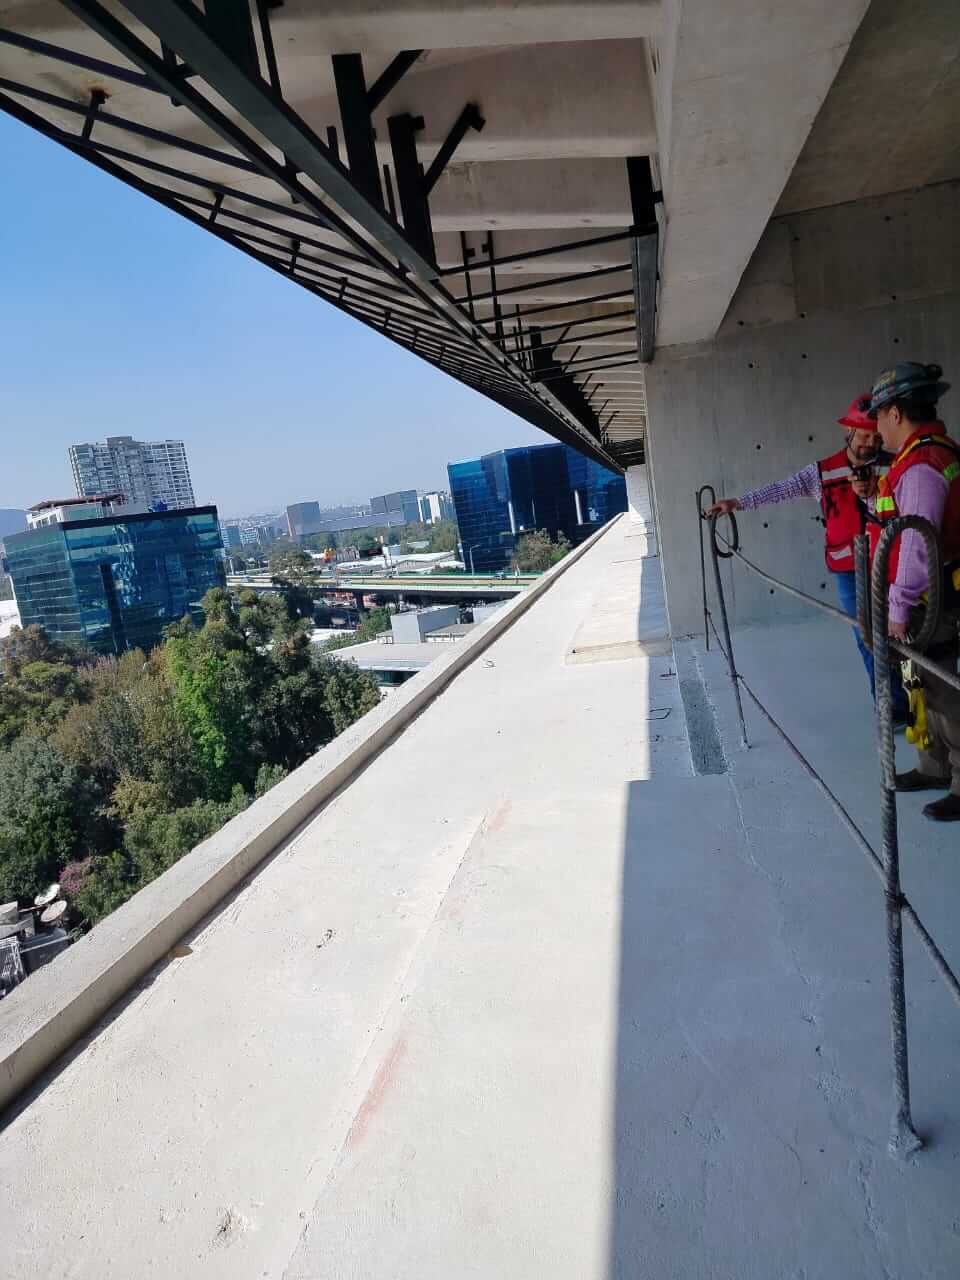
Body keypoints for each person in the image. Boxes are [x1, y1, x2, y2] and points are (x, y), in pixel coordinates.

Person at [705, 396, 907, 717]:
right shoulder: (822, 472)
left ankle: (915, 701)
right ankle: (890, 705)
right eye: (864, 435)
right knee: (867, 637)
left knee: (902, 633)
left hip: (893, 565)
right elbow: (781, 490)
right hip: (848, 570)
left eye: (876, 436)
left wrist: (872, 493)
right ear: (849, 433)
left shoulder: (895, 465)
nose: (870, 443)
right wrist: (737, 503)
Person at [867, 361, 960, 821]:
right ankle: (934, 765)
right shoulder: (920, 456)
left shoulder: (922, 465)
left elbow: (917, 546)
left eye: (878, 417)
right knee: (919, 682)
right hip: (924, 600)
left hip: (928, 602)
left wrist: (899, 607)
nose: (876, 428)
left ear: (896, 413)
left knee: (942, 690)